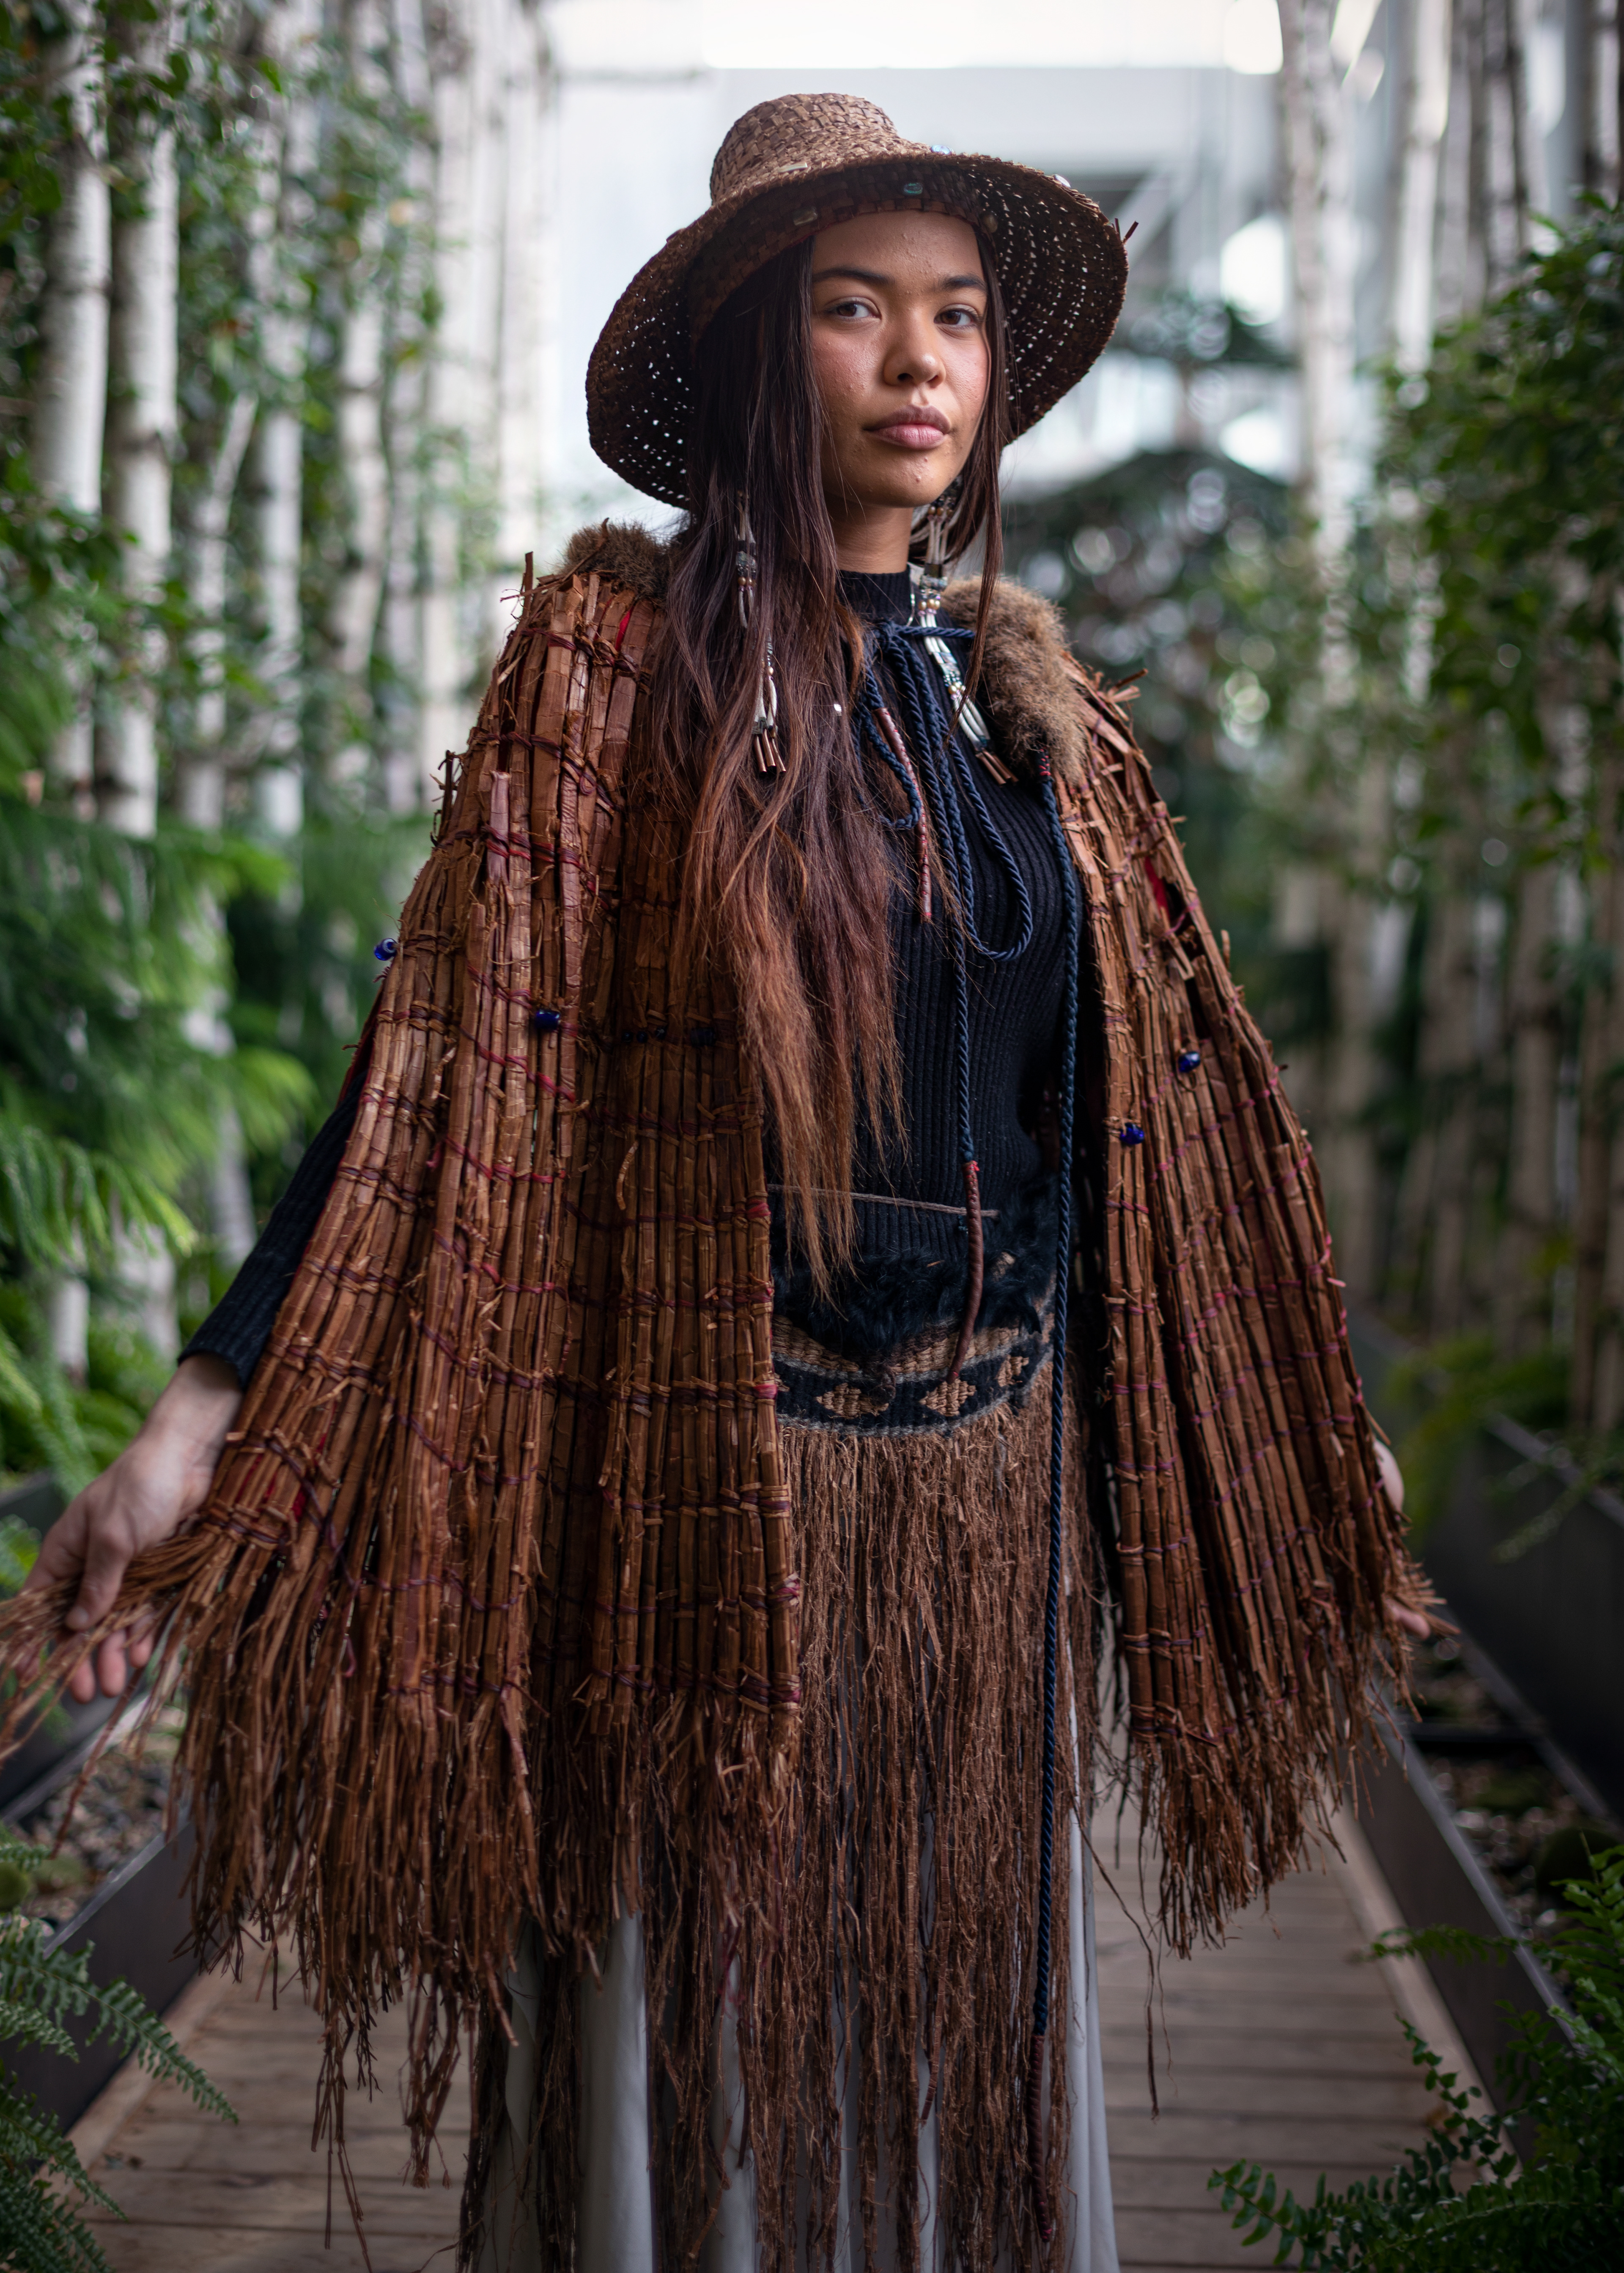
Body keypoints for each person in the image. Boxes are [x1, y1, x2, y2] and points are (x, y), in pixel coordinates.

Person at [5, 93, 1425, 2273]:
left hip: (986, 1515)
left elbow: (1169, 1136)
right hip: (700, 1502)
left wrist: (1305, 1432)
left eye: (954, 318)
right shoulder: (610, 683)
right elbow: (433, 1082)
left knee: (965, 2075)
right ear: (769, 354)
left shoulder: (1032, 722)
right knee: (698, 2091)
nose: (922, 362)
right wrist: (202, 1405)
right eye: (858, 311)